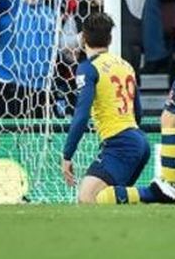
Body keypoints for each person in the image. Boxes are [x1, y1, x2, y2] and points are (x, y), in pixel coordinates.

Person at [61, 12, 161, 204]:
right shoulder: (125, 65)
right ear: (110, 38)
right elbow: (137, 112)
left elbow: (81, 115)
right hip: (138, 140)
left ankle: (155, 193)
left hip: (120, 143)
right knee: (110, 202)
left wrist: (67, 155)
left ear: (83, 38)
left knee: (87, 198)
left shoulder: (88, 68)